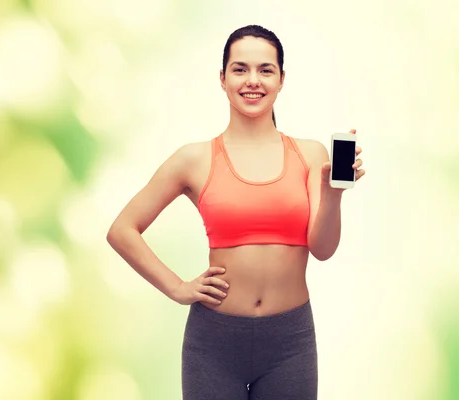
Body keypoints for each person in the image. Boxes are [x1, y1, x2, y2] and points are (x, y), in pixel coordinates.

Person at [106, 24, 365, 400]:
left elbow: (322, 249)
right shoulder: (192, 159)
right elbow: (122, 229)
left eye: (265, 69)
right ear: (223, 78)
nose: (252, 81)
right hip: (213, 345)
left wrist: (333, 194)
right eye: (240, 69)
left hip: (290, 343)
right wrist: (178, 287)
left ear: (281, 80)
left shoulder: (311, 156)